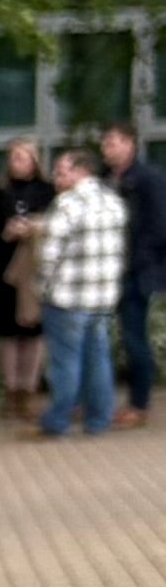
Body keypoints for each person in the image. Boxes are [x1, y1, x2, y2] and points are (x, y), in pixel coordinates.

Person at [42, 138, 129, 439]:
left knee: (65, 363)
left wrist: (42, 287)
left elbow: (50, 255)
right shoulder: (113, 202)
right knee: (99, 360)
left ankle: (59, 420)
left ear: (81, 170)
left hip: (67, 299)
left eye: (62, 170)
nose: (57, 178)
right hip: (102, 297)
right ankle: (98, 420)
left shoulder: (67, 204)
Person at [0, 135, 54, 420]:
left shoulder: (47, 191)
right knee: (8, 329)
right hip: (4, 267)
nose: (19, 162)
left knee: (34, 330)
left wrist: (34, 228)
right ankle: (11, 390)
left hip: (36, 267)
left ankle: (29, 388)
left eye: (25, 157)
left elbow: (56, 222)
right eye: (14, 157)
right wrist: (6, 230)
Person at [111, 122, 164, 424]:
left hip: (136, 272)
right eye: (105, 144)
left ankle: (139, 403)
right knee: (118, 338)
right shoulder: (110, 180)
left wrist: (143, 260)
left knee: (134, 337)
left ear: (130, 144)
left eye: (114, 142)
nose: (109, 149)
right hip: (112, 271)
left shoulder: (148, 178)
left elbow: (159, 224)